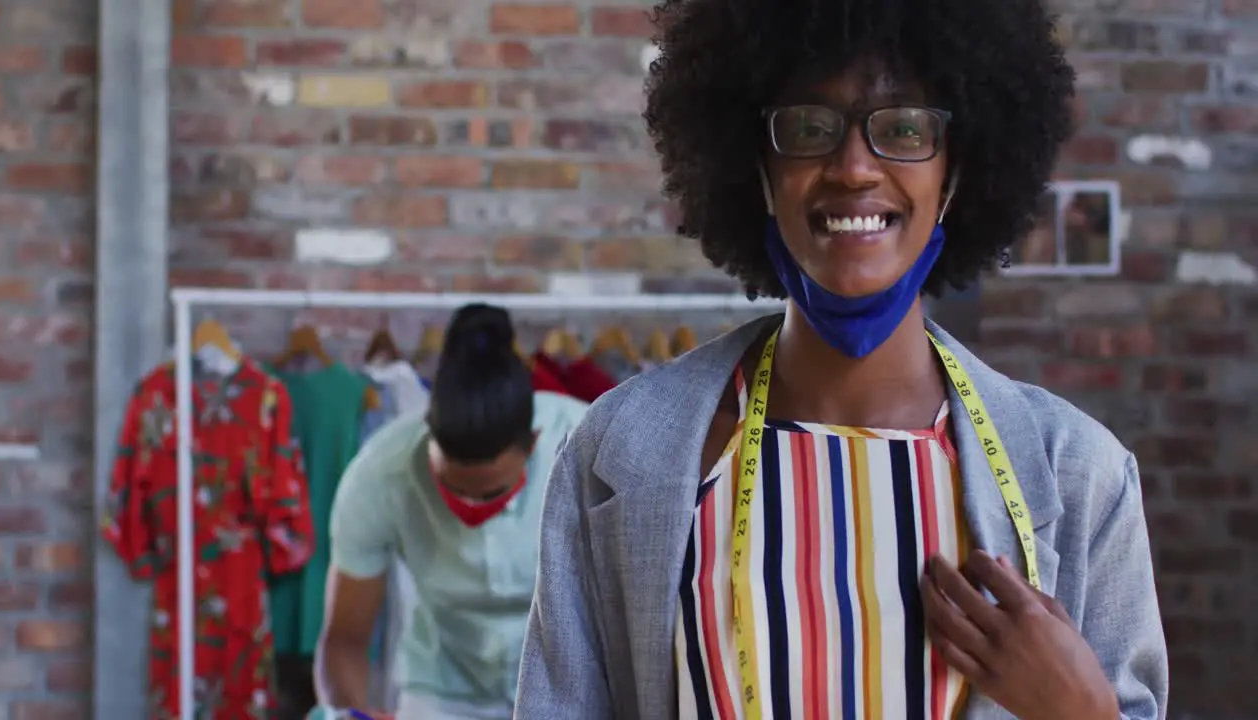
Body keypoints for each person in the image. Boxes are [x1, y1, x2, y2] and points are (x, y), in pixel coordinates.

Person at [514, 0, 1168, 717]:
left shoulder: (1081, 475)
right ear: (756, 167)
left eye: (905, 127)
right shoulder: (620, 451)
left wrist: (1084, 712)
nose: (854, 168)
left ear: (956, 171)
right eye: (809, 128)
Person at [313, 303, 589, 720]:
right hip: (441, 693)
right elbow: (346, 638)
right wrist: (347, 715)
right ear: (428, 436)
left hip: (563, 684)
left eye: (492, 492)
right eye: (454, 488)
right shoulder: (380, 472)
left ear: (532, 445)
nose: (472, 507)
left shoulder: (588, 451)